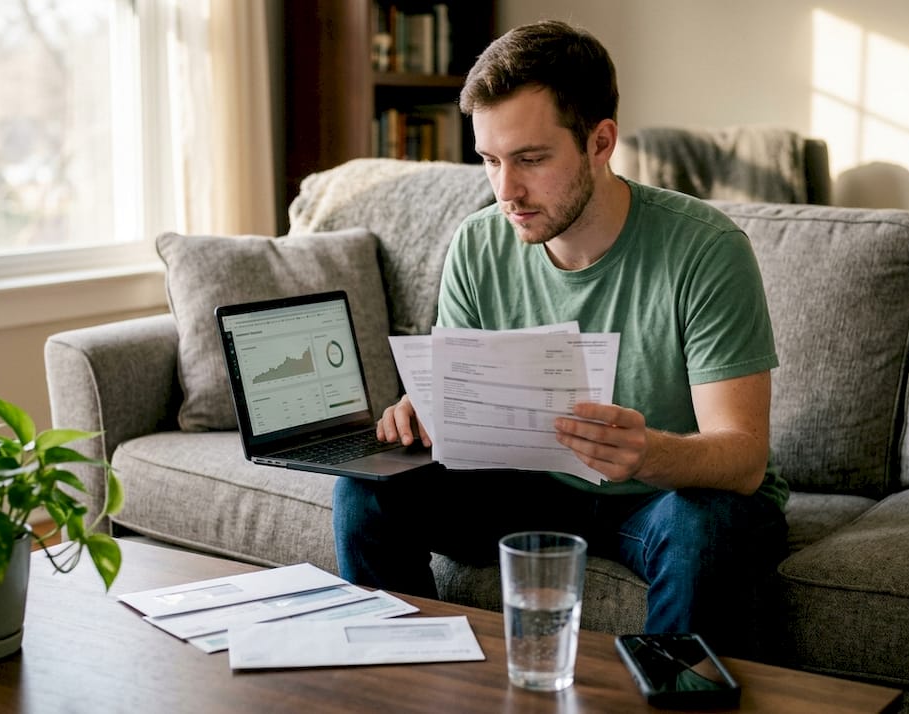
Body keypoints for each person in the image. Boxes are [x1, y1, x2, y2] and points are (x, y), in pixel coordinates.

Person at [332, 20, 788, 657]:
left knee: (707, 527)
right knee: (367, 489)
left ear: (600, 142)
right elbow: (465, 410)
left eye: (531, 159)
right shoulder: (478, 241)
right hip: (528, 486)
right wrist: (429, 415)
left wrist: (647, 452)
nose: (507, 191)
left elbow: (743, 457)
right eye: (490, 161)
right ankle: (408, 681)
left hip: (663, 499)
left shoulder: (705, 250)